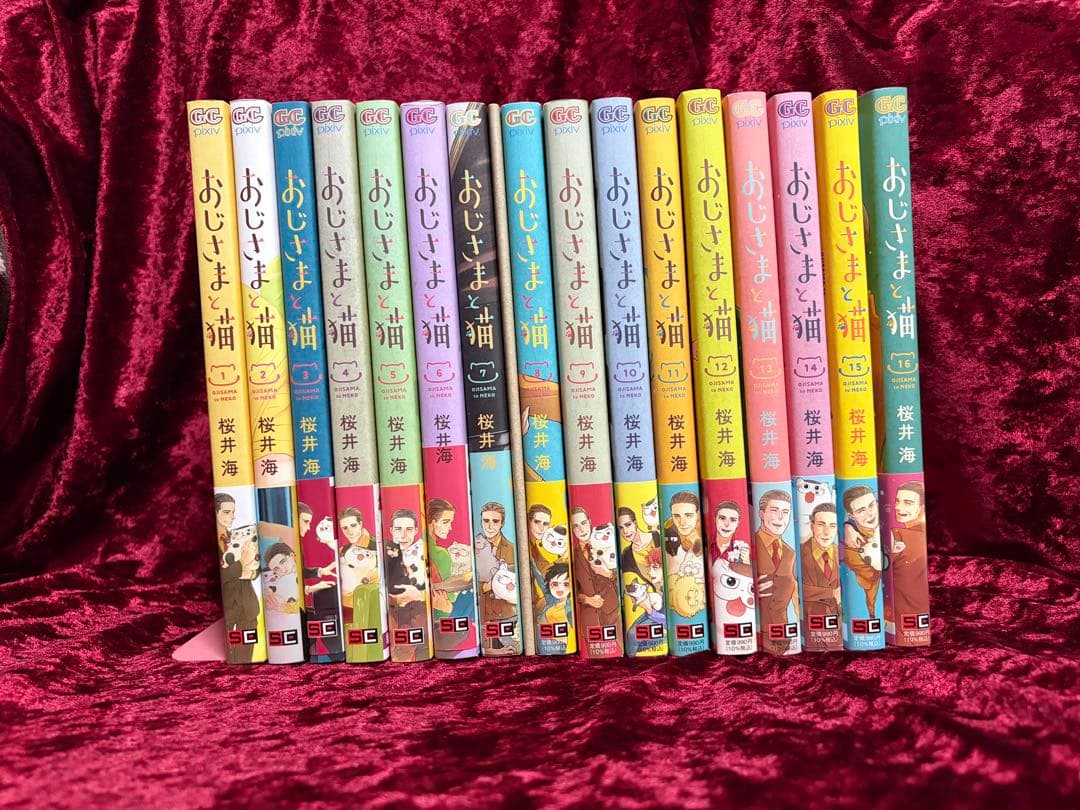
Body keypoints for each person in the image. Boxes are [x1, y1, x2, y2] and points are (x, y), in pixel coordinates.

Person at [753, 489, 797, 648]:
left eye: (785, 512)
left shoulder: (790, 553)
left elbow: (796, 598)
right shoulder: (749, 545)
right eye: (774, 510)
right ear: (761, 514)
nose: (780, 517)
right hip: (756, 637)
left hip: (784, 638)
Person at [889, 481, 929, 627]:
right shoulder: (901, 534)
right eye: (897, 501)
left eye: (908, 503)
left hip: (903, 618)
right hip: (910, 617)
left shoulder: (897, 535)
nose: (898, 507)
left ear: (922, 508)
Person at [474, 502, 518, 628]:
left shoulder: (511, 549)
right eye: (486, 521)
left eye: (495, 521)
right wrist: (483, 587)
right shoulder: (473, 546)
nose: (490, 526)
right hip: (481, 614)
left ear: (502, 523)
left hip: (507, 614)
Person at [842, 485, 882, 619]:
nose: (870, 513)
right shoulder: (851, 547)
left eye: (871, 505)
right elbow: (872, 575)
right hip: (874, 609)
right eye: (861, 511)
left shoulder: (888, 524)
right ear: (852, 516)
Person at [800, 502, 841, 621]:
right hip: (808, 622)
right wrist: (830, 593)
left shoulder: (843, 555)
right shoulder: (798, 553)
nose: (826, 532)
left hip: (838, 624)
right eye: (821, 525)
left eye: (832, 526)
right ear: (812, 526)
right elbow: (791, 588)